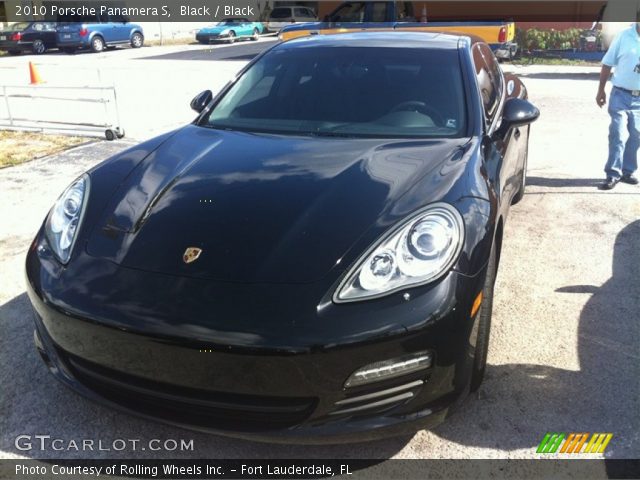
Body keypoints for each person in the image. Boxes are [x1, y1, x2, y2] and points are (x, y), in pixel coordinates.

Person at [596, 22, 640, 189]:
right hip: (620, 94)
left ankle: (627, 171)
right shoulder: (624, 35)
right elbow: (607, 63)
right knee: (618, 134)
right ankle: (613, 174)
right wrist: (601, 90)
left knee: (637, 136)